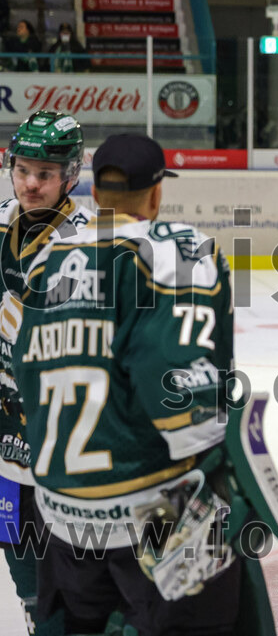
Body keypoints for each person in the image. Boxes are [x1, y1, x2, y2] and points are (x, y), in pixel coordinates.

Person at [10, 133, 278, 634]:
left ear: (92, 192)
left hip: (60, 522)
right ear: (156, 194)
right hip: (147, 521)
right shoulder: (176, 254)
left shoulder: (46, 261)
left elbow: (27, 373)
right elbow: (185, 409)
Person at [0, 111, 94, 636]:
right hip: (6, 432)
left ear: (70, 175)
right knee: (15, 541)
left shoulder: (92, 244)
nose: (31, 183)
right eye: (23, 170)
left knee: (74, 562)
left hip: (67, 436)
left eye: (45, 172)